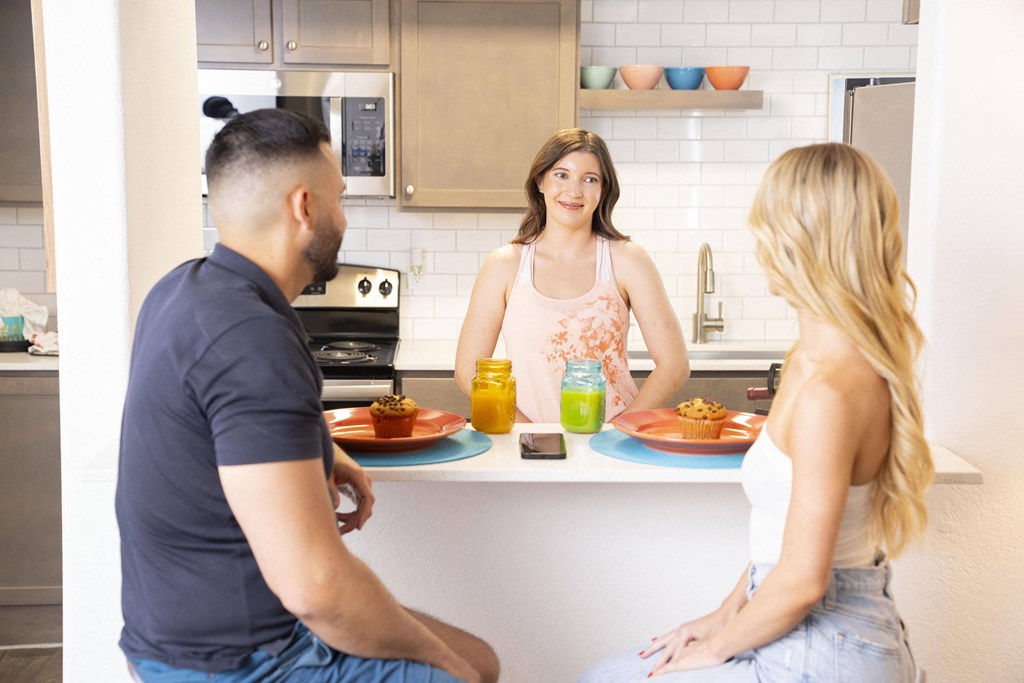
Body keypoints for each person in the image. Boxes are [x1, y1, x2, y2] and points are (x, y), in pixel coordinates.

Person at [115, 109, 499, 683]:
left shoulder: (184, 290)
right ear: (304, 207)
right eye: (339, 198)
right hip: (244, 661)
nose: (343, 217)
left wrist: (324, 447)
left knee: (480, 658)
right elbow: (316, 591)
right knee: (466, 668)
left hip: (172, 635)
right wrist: (444, 667)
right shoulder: (253, 337)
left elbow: (212, 426)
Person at [578, 143, 935, 682]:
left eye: (766, 227)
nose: (759, 244)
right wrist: (724, 615)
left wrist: (718, 648)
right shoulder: (808, 363)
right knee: (606, 673)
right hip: (805, 627)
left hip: (828, 647)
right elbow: (783, 540)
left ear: (804, 241)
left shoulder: (831, 391)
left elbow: (802, 582)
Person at [455, 128, 688, 423]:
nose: (574, 191)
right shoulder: (503, 265)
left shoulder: (628, 260)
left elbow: (674, 365)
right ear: (540, 181)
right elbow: (468, 371)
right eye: (561, 175)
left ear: (603, 190)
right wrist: (528, 433)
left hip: (612, 448)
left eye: (589, 179)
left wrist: (617, 434)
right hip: (527, 445)